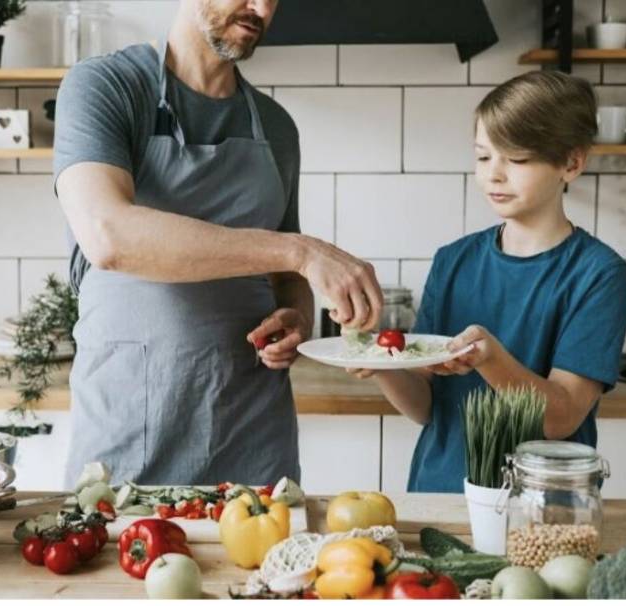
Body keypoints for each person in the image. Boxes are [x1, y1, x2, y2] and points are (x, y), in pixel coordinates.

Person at [53, 0, 383, 488]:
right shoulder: (106, 87)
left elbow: (287, 277)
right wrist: (302, 251)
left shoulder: (276, 128)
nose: (262, 8)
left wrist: (295, 316)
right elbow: (108, 235)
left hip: (251, 433)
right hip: (131, 427)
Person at [348, 71, 626, 493]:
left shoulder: (599, 275)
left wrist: (490, 358)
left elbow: (560, 417)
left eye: (516, 159)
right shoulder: (453, 261)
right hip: (439, 496)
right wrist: (381, 361)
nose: (493, 175)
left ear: (571, 163)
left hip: (543, 506)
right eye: (484, 157)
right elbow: (428, 407)